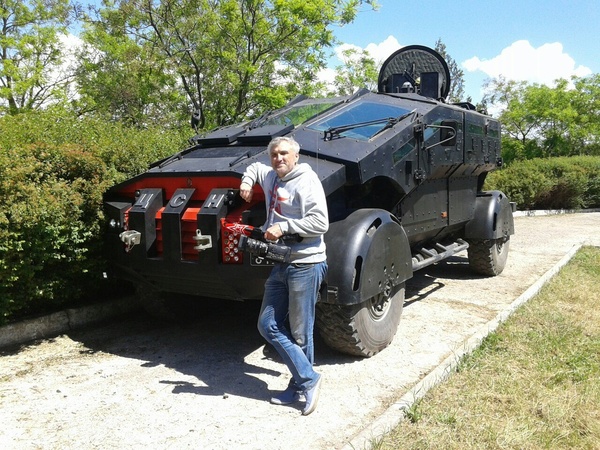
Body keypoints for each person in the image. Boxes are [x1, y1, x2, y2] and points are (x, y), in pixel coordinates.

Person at [239, 136, 328, 416]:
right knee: (267, 325)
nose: (279, 158)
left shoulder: (307, 181)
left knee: (301, 332)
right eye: (275, 154)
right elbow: (254, 167)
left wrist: (284, 227)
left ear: (296, 156)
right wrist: (245, 182)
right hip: (280, 262)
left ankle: (300, 385)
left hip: (306, 263)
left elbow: (320, 222)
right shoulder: (270, 176)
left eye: (284, 154)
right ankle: (308, 378)